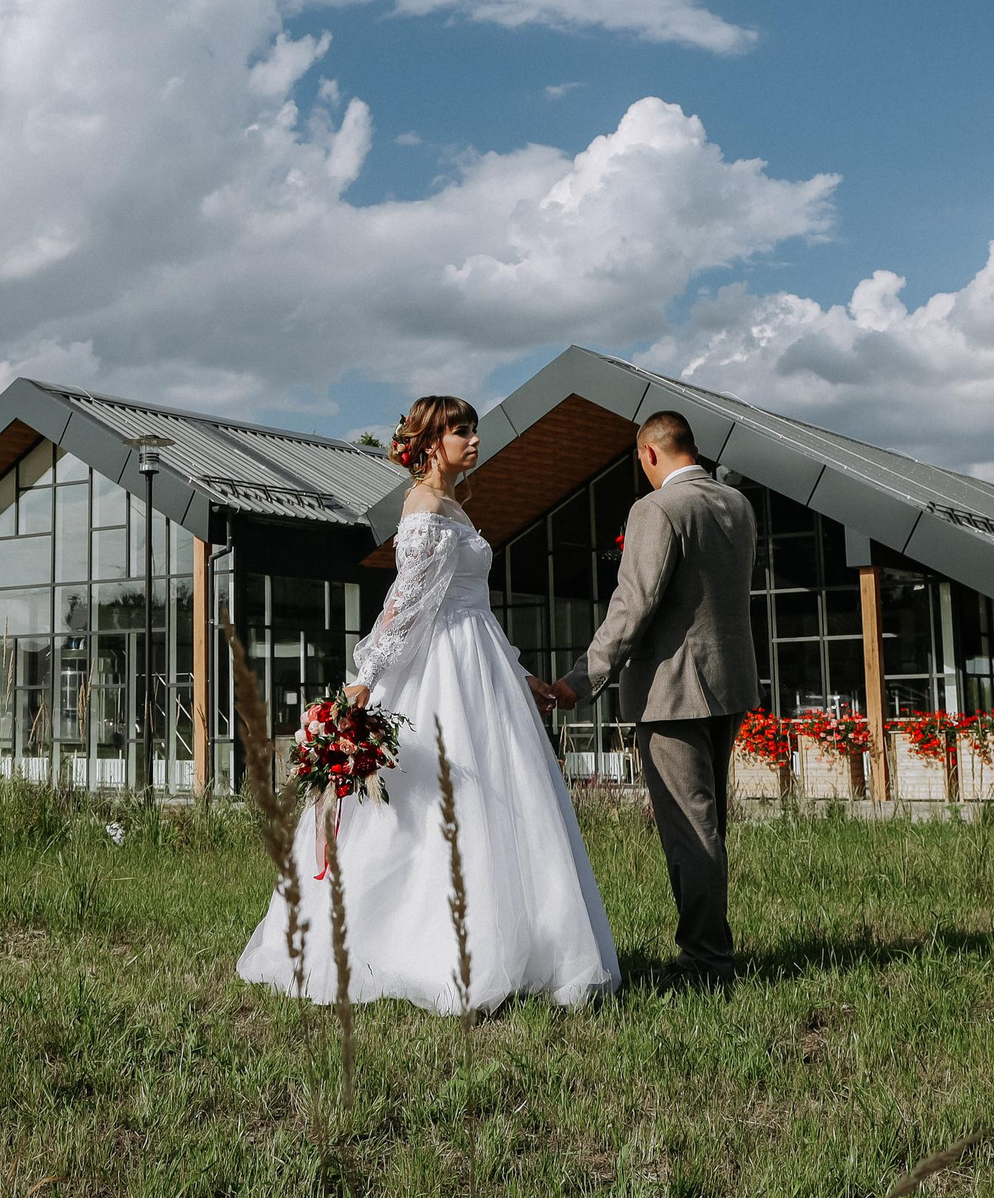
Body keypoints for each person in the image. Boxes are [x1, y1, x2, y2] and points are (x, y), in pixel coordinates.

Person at [235, 395, 619, 1014]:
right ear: (430, 443)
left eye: (474, 430)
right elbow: (406, 604)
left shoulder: (456, 509)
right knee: (441, 804)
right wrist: (368, 674)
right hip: (438, 669)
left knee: (498, 801)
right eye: (460, 432)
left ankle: (522, 948)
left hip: (478, 660)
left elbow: (475, 610)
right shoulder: (423, 508)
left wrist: (521, 676)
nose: (473, 441)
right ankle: (427, 951)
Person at [533, 409, 758, 991]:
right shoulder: (738, 505)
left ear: (649, 454)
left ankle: (706, 964)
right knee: (710, 825)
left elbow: (632, 607)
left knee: (690, 828)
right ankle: (710, 952)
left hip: (673, 693)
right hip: (729, 685)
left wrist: (578, 683)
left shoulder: (656, 510)